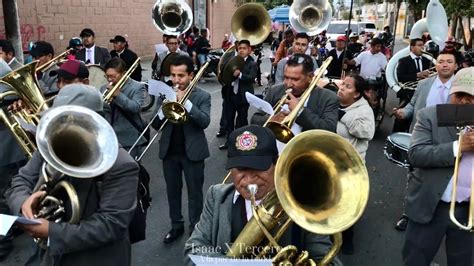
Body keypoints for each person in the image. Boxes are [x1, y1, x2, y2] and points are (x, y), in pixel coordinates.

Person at [5, 83, 139, 265]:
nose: (62, 126)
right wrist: (23, 204)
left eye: (70, 120)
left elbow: (110, 225)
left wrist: (52, 232)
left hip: (94, 259)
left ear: (94, 122)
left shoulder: (122, 165)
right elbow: (21, 180)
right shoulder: (50, 144)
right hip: (51, 254)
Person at [184, 125, 343, 266]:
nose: (249, 178)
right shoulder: (217, 195)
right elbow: (193, 249)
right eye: (240, 169)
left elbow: (327, 258)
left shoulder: (303, 203)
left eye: (258, 168)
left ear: (277, 164)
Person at [402, 67, 474, 266]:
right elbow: (415, 154)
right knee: (416, 260)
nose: (464, 101)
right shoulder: (430, 116)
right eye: (459, 95)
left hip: (469, 210)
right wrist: (459, 147)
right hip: (431, 206)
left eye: (471, 97)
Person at [392, 51, 458, 231]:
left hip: (449, 141)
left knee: (445, 177)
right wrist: (402, 113)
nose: (444, 64)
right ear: (436, 65)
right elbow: (413, 106)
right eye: (441, 61)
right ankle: (409, 213)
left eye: (449, 62)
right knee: (415, 177)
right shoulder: (423, 84)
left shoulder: (460, 88)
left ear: (456, 66)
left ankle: (444, 211)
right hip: (422, 139)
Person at [151, 55, 210, 243]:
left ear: (191, 75)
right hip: (170, 152)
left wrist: (187, 103)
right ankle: (176, 225)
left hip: (192, 153)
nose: (176, 80)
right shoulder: (166, 93)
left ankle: (196, 229)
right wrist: (166, 105)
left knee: (195, 194)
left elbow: (205, 121)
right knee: (172, 192)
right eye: (173, 75)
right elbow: (155, 124)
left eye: (181, 76)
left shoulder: (202, 96)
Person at [252, 54, 338, 140]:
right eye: (286, 77)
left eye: (295, 79)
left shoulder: (328, 97)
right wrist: (271, 120)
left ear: (310, 77)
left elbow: (329, 130)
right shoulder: (275, 91)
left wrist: (299, 111)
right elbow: (255, 118)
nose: (288, 84)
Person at [336, 74, 375, 254]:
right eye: (343, 84)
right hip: (330, 162)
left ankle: (346, 238)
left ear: (357, 94)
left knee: (346, 205)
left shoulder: (364, 110)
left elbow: (367, 132)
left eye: (348, 87)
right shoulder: (333, 100)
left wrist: (342, 116)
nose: (342, 88)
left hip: (350, 166)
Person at [0, 60, 27, 262]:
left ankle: (3, 242)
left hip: (6, 145)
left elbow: (14, 94)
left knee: (3, 195)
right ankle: (15, 226)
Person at [101, 58, 146, 158]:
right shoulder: (104, 88)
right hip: (109, 138)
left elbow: (136, 108)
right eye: (107, 76)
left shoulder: (137, 87)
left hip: (129, 138)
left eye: (113, 76)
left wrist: (118, 95)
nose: (109, 79)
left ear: (124, 73)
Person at [219, 40, 257, 150]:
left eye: (244, 48)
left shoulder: (252, 63)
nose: (241, 50)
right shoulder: (233, 60)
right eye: (240, 48)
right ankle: (229, 142)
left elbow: (251, 78)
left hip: (243, 97)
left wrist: (240, 75)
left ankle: (243, 143)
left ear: (249, 50)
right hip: (230, 95)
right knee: (229, 120)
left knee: (242, 121)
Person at [394, 38, 433, 133]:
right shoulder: (404, 60)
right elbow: (400, 77)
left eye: (422, 45)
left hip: (422, 94)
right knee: (402, 120)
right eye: (419, 45)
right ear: (412, 47)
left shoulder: (426, 60)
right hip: (408, 93)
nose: (422, 47)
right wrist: (417, 75)